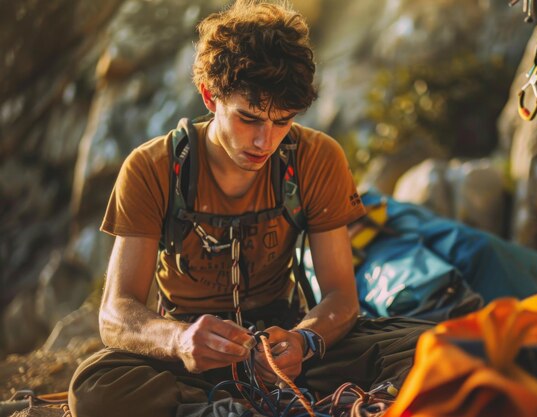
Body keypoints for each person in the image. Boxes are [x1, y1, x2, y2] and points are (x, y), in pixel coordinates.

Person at [69, 1, 433, 416]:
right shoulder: (152, 168)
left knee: (432, 344)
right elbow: (116, 313)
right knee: (95, 387)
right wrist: (179, 340)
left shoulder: (316, 157)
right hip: (191, 353)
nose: (265, 141)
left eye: (283, 121)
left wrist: (304, 341)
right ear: (210, 96)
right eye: (249, 118)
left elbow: (341, 297)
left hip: (284, 348)